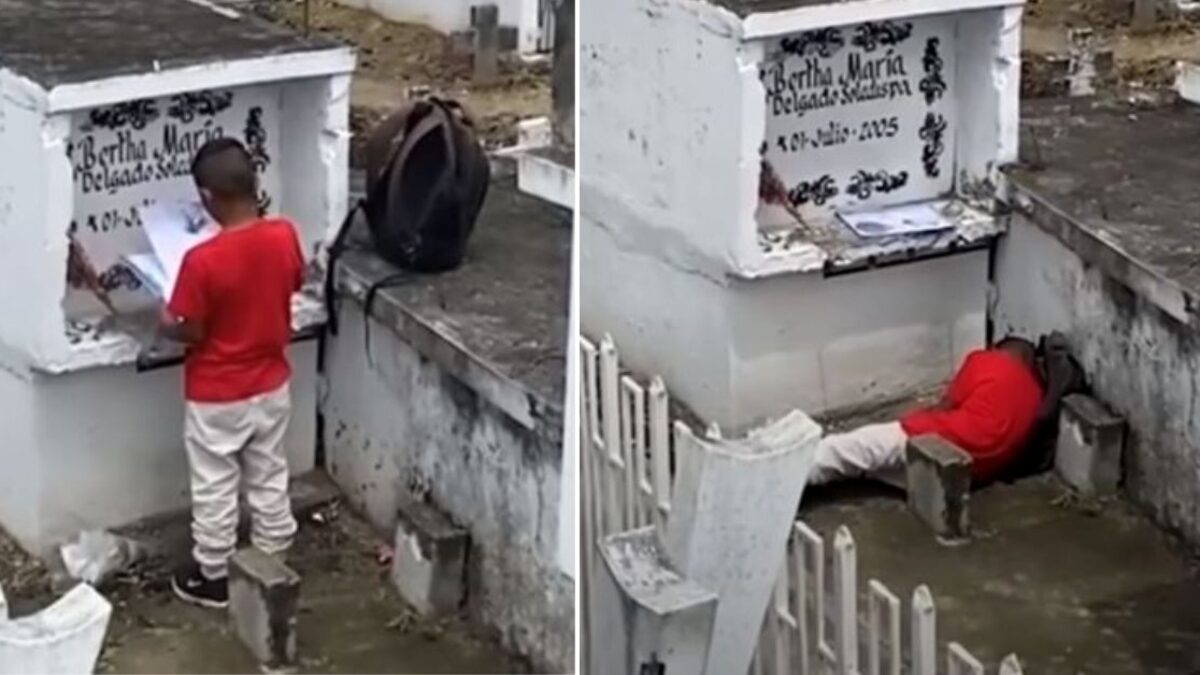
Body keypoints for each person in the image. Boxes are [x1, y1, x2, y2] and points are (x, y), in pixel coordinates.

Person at [160, 138, 305, 608]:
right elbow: (293, 282)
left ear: (206, 197)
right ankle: (272, 556)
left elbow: (191, 330)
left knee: (215, 484)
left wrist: (164, 322)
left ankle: (217, 573)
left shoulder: (201, 261)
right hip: (271, 382)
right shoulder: (283, 234)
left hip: (217, 392)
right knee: (269, 473)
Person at [808, 337, 1045, 487]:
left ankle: (785, 479)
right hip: (976, 474)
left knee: (845, 448)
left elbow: (946, 405)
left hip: (946, 441)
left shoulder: (987, 360)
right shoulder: (1035, 394)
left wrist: (913, 419)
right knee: (868, 464)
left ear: (998, 348)